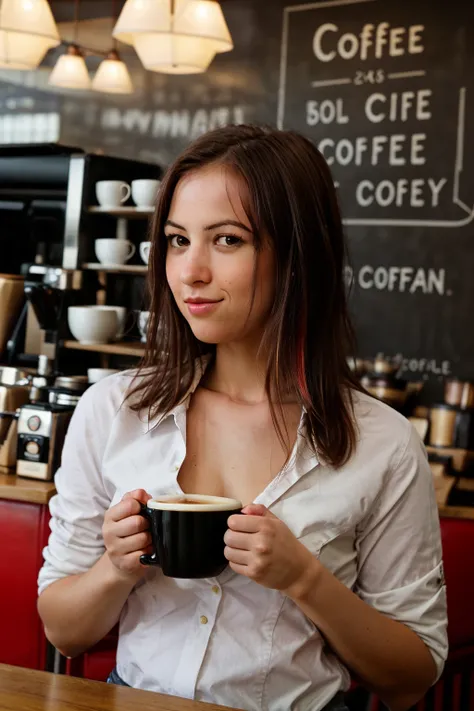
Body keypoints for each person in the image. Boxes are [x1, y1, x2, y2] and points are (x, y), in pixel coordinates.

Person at [37, 125, 447, 711]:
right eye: (178, 241)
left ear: (299, 256)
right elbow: (63, 629)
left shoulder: (382, 441)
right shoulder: (113, 410)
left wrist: (304, 579)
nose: (190, 271)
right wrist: (115, 568)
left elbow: (411, 676)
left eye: (227, 240)